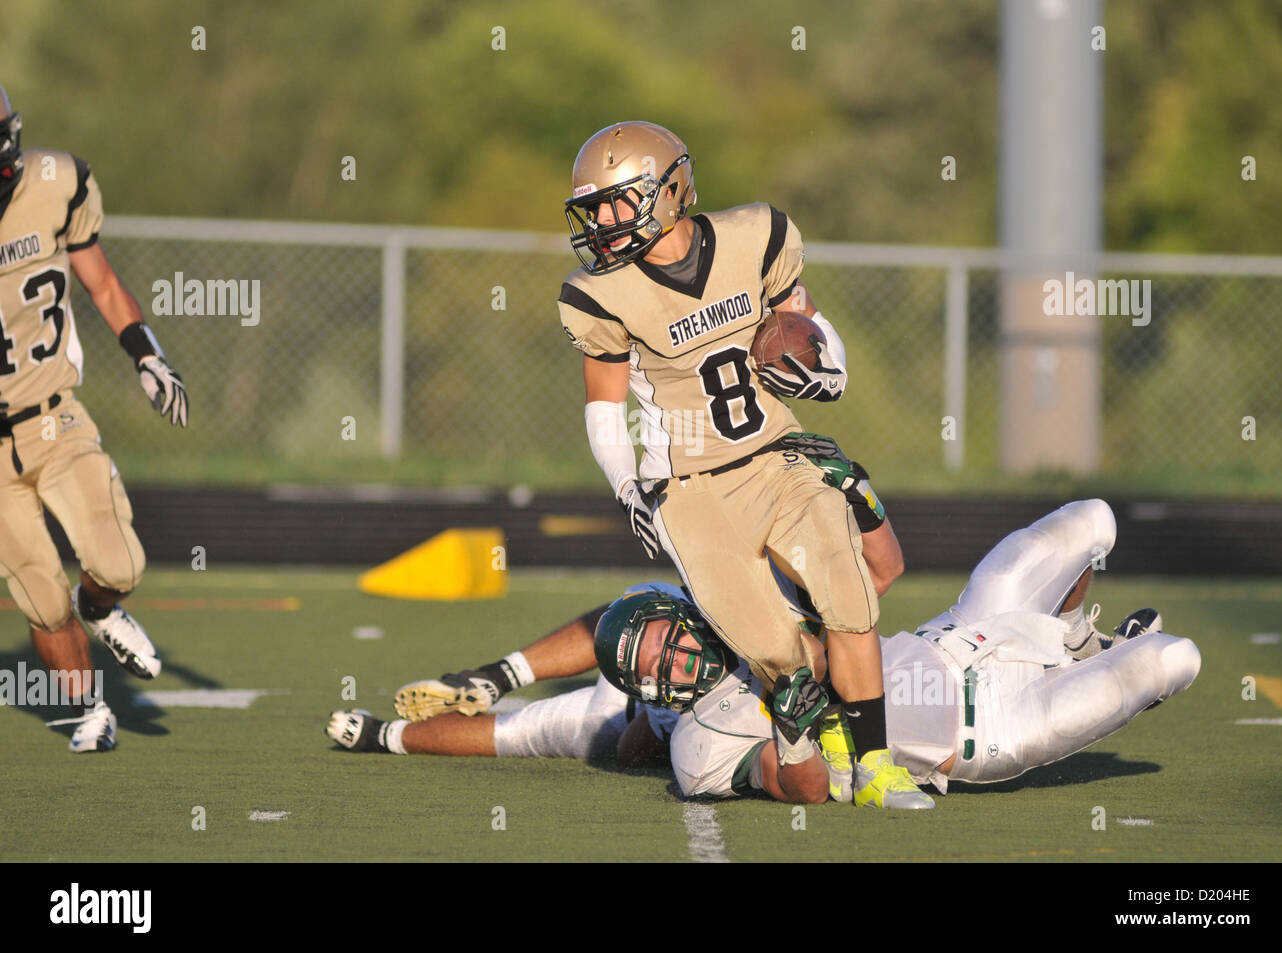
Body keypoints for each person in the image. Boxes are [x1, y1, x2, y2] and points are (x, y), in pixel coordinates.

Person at [327, 500, 1201, 805]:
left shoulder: (737, 610)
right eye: (653, 669)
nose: (672, 659)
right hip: (989, 727)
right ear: (641, 696)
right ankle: (1091, 661)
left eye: (673, 638)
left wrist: (495, 672)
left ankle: (1077, 638)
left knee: (1093, 520)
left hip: (960, 629)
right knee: (1176, 659)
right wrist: (386, 738)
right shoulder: (693, 741)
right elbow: (803, 787)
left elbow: (880, 569)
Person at [556, 120, 917, 807]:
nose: (600, 221)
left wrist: (828, 373)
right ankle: (813, 739)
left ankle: (879, 764)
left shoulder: (757, 236)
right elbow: (604, 408)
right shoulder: (599, 294)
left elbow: (808, 325)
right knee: (767, 643)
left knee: (848, 593)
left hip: (775, 452)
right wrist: (628, 484)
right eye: (593, 207)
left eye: (614, 201)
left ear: (668, 190)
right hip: (689, 485)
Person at [0, 86, 189, 752]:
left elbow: (101, 282)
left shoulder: (55, 185)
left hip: (55, 418)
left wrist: (148, 355)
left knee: (119, 562)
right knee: (40, 602)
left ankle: (101, 607)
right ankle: (89, 710)